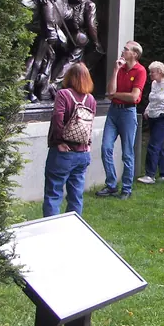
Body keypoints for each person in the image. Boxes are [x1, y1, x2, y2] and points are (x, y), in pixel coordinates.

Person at [43, 63, 96, 217]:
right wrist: (88, 144)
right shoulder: (91, 99)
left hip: (63, 153)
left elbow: (57, 118)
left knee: (54, 193)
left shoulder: (64, 94)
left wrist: (59, 142)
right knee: (76, 196)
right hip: (82, 153)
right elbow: (89, 124)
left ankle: (50, 230)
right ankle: (73, 230)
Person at [96, 41, 147, 200]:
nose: (123, 51)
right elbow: (110, 90)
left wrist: (115, 95)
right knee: (106, 149)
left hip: (128, 113)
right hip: (113, 112)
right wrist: (116, 69)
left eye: (126, 50)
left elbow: (133, 96)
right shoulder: (120, 68)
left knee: (127, 153)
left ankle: (126, 188)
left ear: (134, 54)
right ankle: (111, 185)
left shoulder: (140, 71)